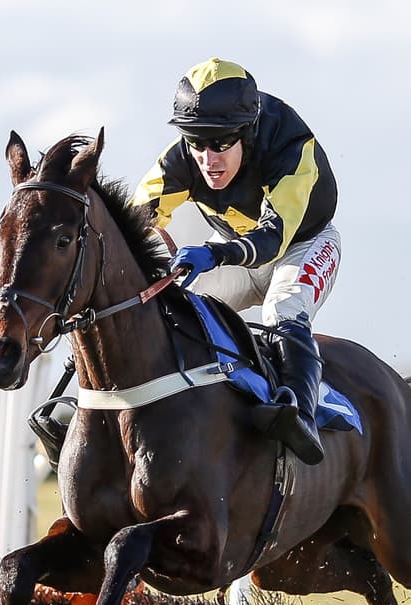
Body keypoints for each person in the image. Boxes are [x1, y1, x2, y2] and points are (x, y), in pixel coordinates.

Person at [131, 57, 341, 466]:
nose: (208, 159)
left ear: (247, 132)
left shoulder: (291, 147)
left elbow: (271, 239)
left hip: (303, 244)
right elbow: (135, 219)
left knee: (284, 307)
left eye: (221, 144)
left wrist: (213, 254)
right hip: (229, 246)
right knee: (176, 306)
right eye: (197, 143)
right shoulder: (179, 158)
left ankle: (299, 415)